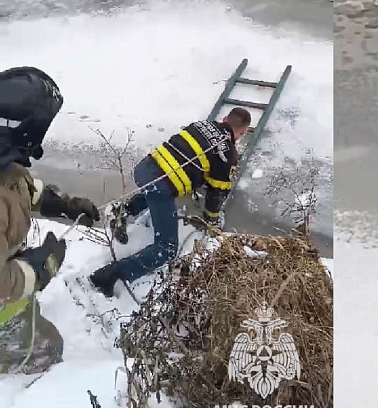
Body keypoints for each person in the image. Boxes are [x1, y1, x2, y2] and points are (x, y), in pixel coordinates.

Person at [0, 67, 102, 374]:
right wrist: (38, 269)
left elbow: (17, 185)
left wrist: (61, 204)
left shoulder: (5, 162)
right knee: (46, 349)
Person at [88, 108, 250, 297]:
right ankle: (109, 275)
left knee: (156, 190)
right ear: (243, 132)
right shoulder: (228, 154)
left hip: (145, 168)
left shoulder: (201, 124)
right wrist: (211, 220)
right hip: (161, 185)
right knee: (167, 248)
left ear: (224, 119)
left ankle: (123, 210)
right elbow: (216, 193)